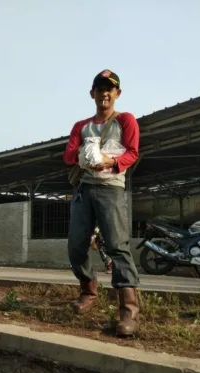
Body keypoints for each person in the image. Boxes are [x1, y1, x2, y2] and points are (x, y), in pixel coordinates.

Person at [63, 69, 140, 337]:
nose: (104, 93)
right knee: (75, 247)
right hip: (85, 189)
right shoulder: (81, 126)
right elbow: (69, 154)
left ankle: (128, 311)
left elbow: (132, 152)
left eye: (110, 89)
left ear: (117, 94)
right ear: (92, 93)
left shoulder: (126, 120)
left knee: (118, 247)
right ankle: (88, 289)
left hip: (110, 189)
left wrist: (107, 160)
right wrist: (85, 154)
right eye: (99, 88)